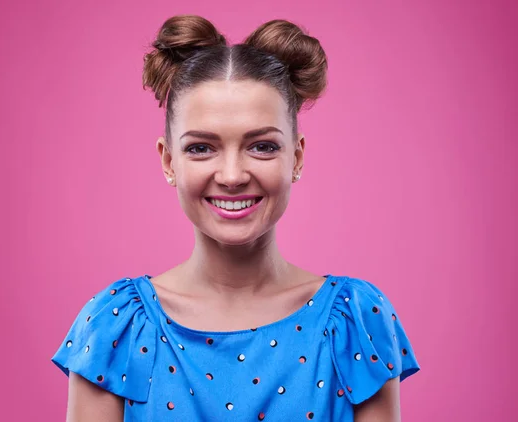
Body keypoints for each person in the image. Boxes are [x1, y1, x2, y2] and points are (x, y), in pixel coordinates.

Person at [51, 15, 420, 422]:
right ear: (168, 160)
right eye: (201, 148)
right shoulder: (115, 327)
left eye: (261, 146)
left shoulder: (354, 321)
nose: (231, 175)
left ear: (295, 157)